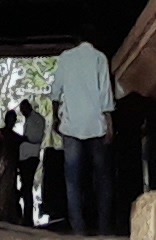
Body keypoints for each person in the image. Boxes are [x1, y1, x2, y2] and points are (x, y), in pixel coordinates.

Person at [48, 37, 115, 236]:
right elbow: (106, 94)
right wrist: (109, 124)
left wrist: (55, 119)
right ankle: (103, 228)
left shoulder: (65, 58)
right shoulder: (99, 58)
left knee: (73, 181)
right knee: (102, 178)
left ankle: (78, 229)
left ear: (76, 41)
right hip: (96, 124)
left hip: (71, 126)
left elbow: (55, 92)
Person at [0, 109, 24, 223]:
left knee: (6, 190)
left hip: (7, 165)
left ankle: (4, 214)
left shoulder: (1, 134)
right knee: (4, 189)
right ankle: (3, 215)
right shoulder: (14, 137)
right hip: (5, 164)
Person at [18, 98, 47, 222]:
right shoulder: (30, 120)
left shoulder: (37, 119)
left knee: (27, 186)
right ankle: (26, 215)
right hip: (24, 156)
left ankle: (28, 217)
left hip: (30, 156)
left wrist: (23, 139)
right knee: (25, 187)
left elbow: (35, 137)